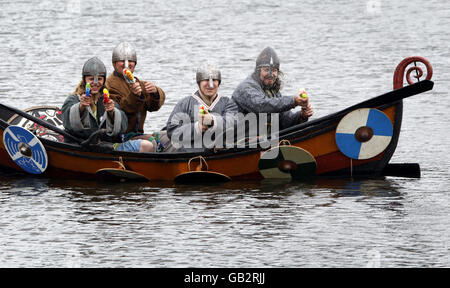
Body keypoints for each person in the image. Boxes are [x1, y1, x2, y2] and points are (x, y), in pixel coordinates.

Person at [62, 57, 154, 152]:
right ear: (84, 80)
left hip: (107, 147)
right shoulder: (73, 99)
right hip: (82, 146)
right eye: (91, 79)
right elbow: (67, 122)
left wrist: (112, 113)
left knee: (146, 146)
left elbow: (122, 127)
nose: (96, 83)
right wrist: (81, 107)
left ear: (104, 80)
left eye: (100, 79)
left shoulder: (109, 100)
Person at [231, 47, 313, 134]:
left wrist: (301, 116)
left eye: (274, 70)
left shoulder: (274, 93)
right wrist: (293, 101)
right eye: (266, 70)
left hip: (264, 142)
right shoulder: (246, 88)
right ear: (258, 71)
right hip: (238, 142)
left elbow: (285, 121)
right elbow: (262, 106)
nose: (271, 74)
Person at [165, 63, 238, 152]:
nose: (210, 85)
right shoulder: (184, 103)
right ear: (199, 82)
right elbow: (172, 131)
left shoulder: (228, 103)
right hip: (191, 155)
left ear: (219, 82)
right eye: (206, 80)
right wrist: (197, 128)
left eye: (214, 80)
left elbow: (234, 123)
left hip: (222, 152)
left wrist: (212, 120)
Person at [105, 42, 165, 140]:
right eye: (122, 61)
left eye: (130, 61)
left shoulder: (138, 82)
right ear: (114, 63)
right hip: (120, 136)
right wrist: (134, 95)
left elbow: (152, 107)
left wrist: (156, 93)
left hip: (138, 134)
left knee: (166, 136)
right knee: (154, 141)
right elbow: (123, 110)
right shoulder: (108, 85)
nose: (127, 64)